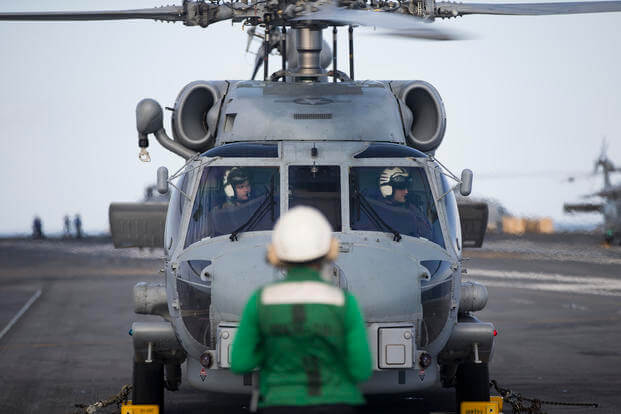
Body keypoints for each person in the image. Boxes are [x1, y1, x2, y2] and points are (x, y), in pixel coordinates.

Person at [231, 206, 372, 413]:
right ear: (329, 250)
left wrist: (271, 351)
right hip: (336, 405)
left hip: (278, 404)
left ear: (277, 252)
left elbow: (241, 363)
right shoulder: (344, 302)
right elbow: (361, 370)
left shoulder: (260, 301)